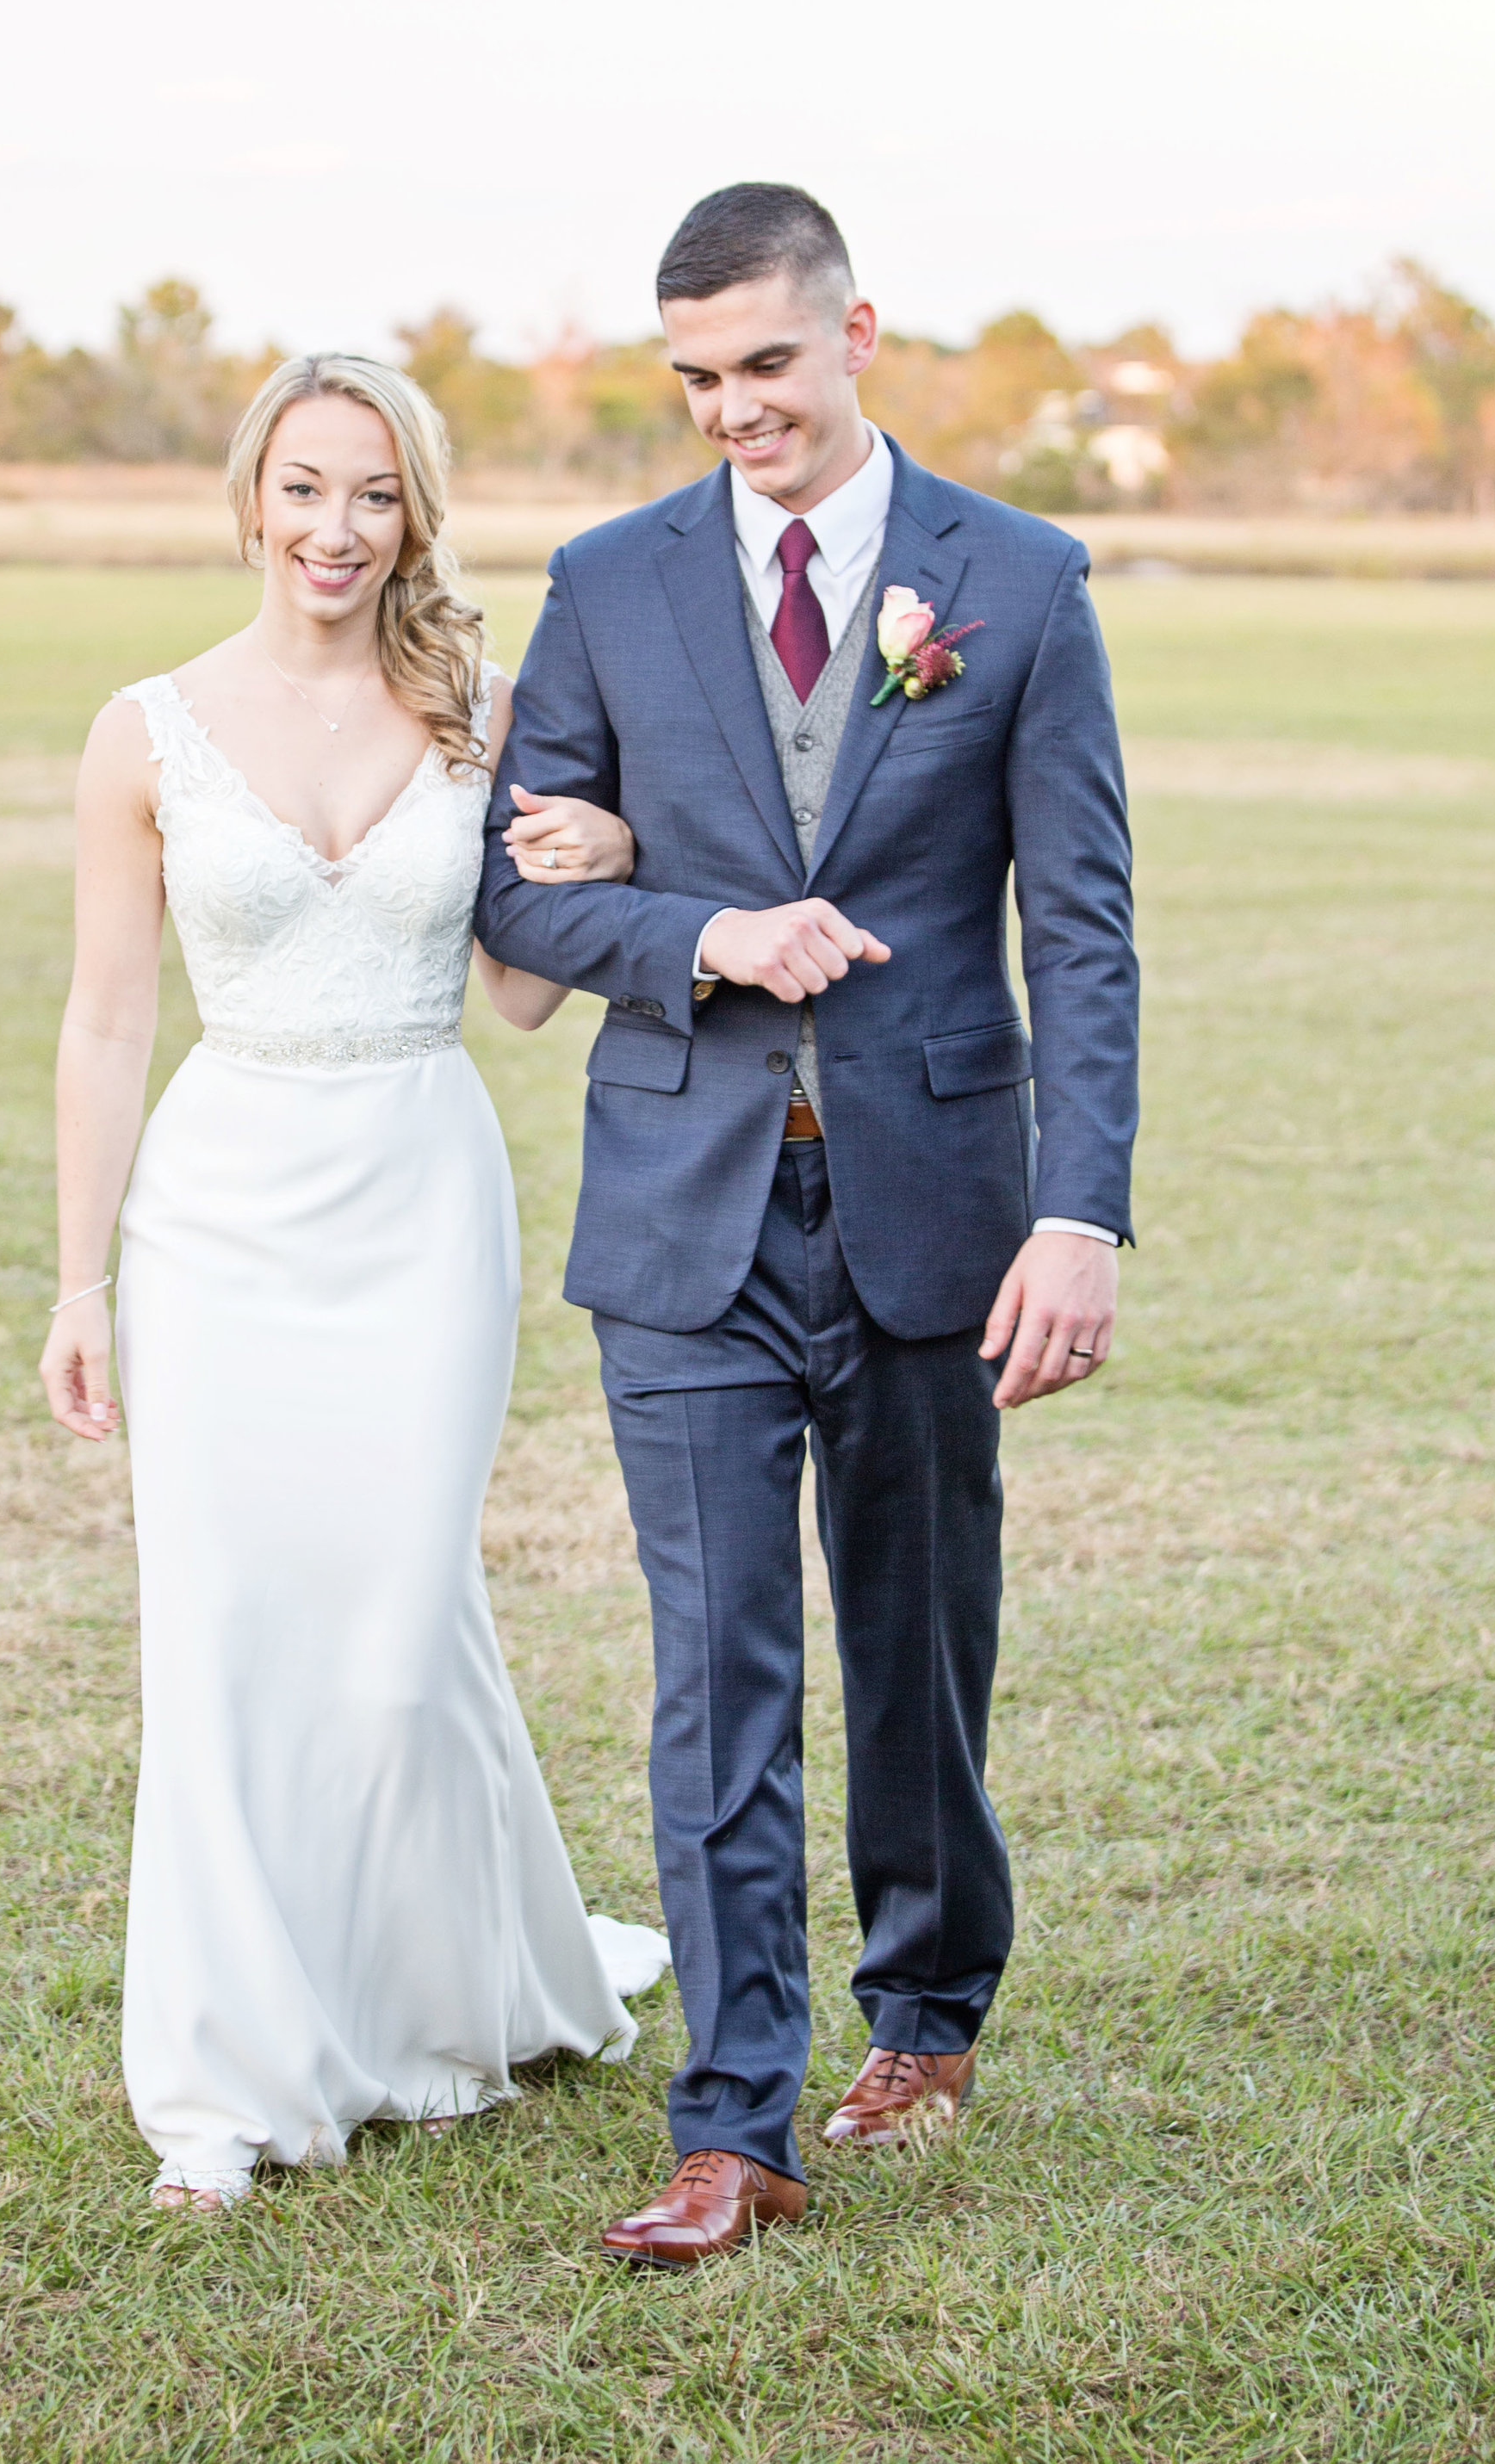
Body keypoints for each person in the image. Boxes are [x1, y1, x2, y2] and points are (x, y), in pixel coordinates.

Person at [475, 183, 1139, 2267]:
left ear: (858, 331)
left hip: (933, 1204)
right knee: (714, 1667)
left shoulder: (1014, 584)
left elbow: (1082, 930)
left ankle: (926, 2016)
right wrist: (701, 928)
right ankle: (730, 2120)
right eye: (691, 379)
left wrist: (1080, 1215)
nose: (729, 412)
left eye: (762, 365)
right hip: (681, 1211)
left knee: (913, 1645)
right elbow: (512, 890)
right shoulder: (604, 582)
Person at [40, 351, 667, 2211]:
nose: (335, 528)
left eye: (374, 495)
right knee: (226, 1637)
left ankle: (442, 1992)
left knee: (396, 1634)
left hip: (416, 1198)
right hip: (216, 1214)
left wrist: (607, 853)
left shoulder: (474, 712)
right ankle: (226, 2088)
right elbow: (103, 1017)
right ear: (249, 497)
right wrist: (80, 1283)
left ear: (416, 516)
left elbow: (525, 990)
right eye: (305, 487)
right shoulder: (141, 731)